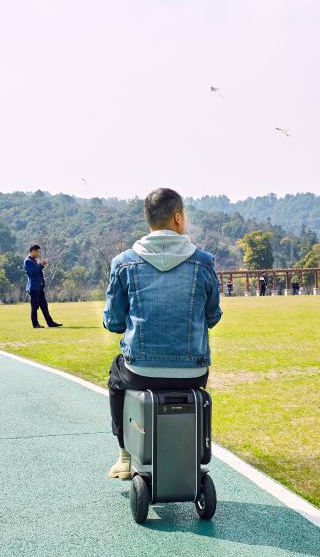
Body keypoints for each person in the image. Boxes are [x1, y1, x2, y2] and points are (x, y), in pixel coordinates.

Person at [103, 188, 221, 479]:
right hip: (193, 372)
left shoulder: (124, 262)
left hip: (140, 371)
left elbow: (114, 323)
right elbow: (213, 316)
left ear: (149, 222)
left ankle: (124, 457)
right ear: (178, 218)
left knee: (116, 378)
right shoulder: (203, 262)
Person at [24, 245, 61, 328]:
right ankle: (35, 324)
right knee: (35, 306)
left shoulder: (33, 260)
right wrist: (41, 265)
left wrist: (41, 279)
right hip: (33, 287)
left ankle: (50, 323)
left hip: (39, 287)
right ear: (33, 251)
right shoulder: (27, 261)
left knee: (44, 305)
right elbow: (33, 272)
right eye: (37, 252)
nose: (38, 254)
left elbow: (36, 273)